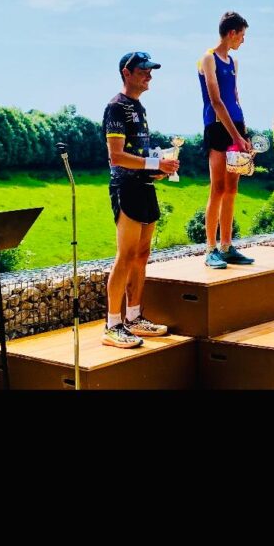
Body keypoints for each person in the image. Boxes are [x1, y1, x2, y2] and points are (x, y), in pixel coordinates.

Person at [101, 51, 180, 348]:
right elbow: (117, 155)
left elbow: (141, 155)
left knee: (142, 254)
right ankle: (112, 325)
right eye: (144, 70)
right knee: (125, 255)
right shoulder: (116, 107)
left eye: (151, 70)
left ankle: (134, 317)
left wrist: (159, 167)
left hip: (145, 186)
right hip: (126, 187)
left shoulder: (140, 107)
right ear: (127, 72)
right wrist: (155, 165)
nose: (150, 75)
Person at [197, 11, 254, 269]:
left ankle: (227, 246)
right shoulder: (208, 59)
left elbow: (236, 97)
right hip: (218, 127)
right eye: (242, 35)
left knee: (232, 188)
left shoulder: (234, 62)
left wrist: (244, 135)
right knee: (217, 188)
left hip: (236, 127)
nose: (243, 40)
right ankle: (210, 248)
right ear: (231, 33)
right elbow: (216, 101)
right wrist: (236, 137)